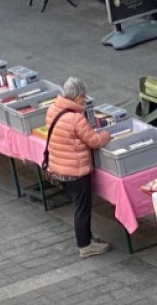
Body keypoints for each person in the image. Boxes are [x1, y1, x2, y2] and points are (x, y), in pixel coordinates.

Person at [43, 77, 111, 259]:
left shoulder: (52, 109)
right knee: (82, 208)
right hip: (76, 171)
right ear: (79, 97)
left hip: (58, 168)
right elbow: (94, 141)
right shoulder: (76, 119)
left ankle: (87, 238)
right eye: (84, 97)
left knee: (79, 206)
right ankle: (85, 245)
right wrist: (106, 135)